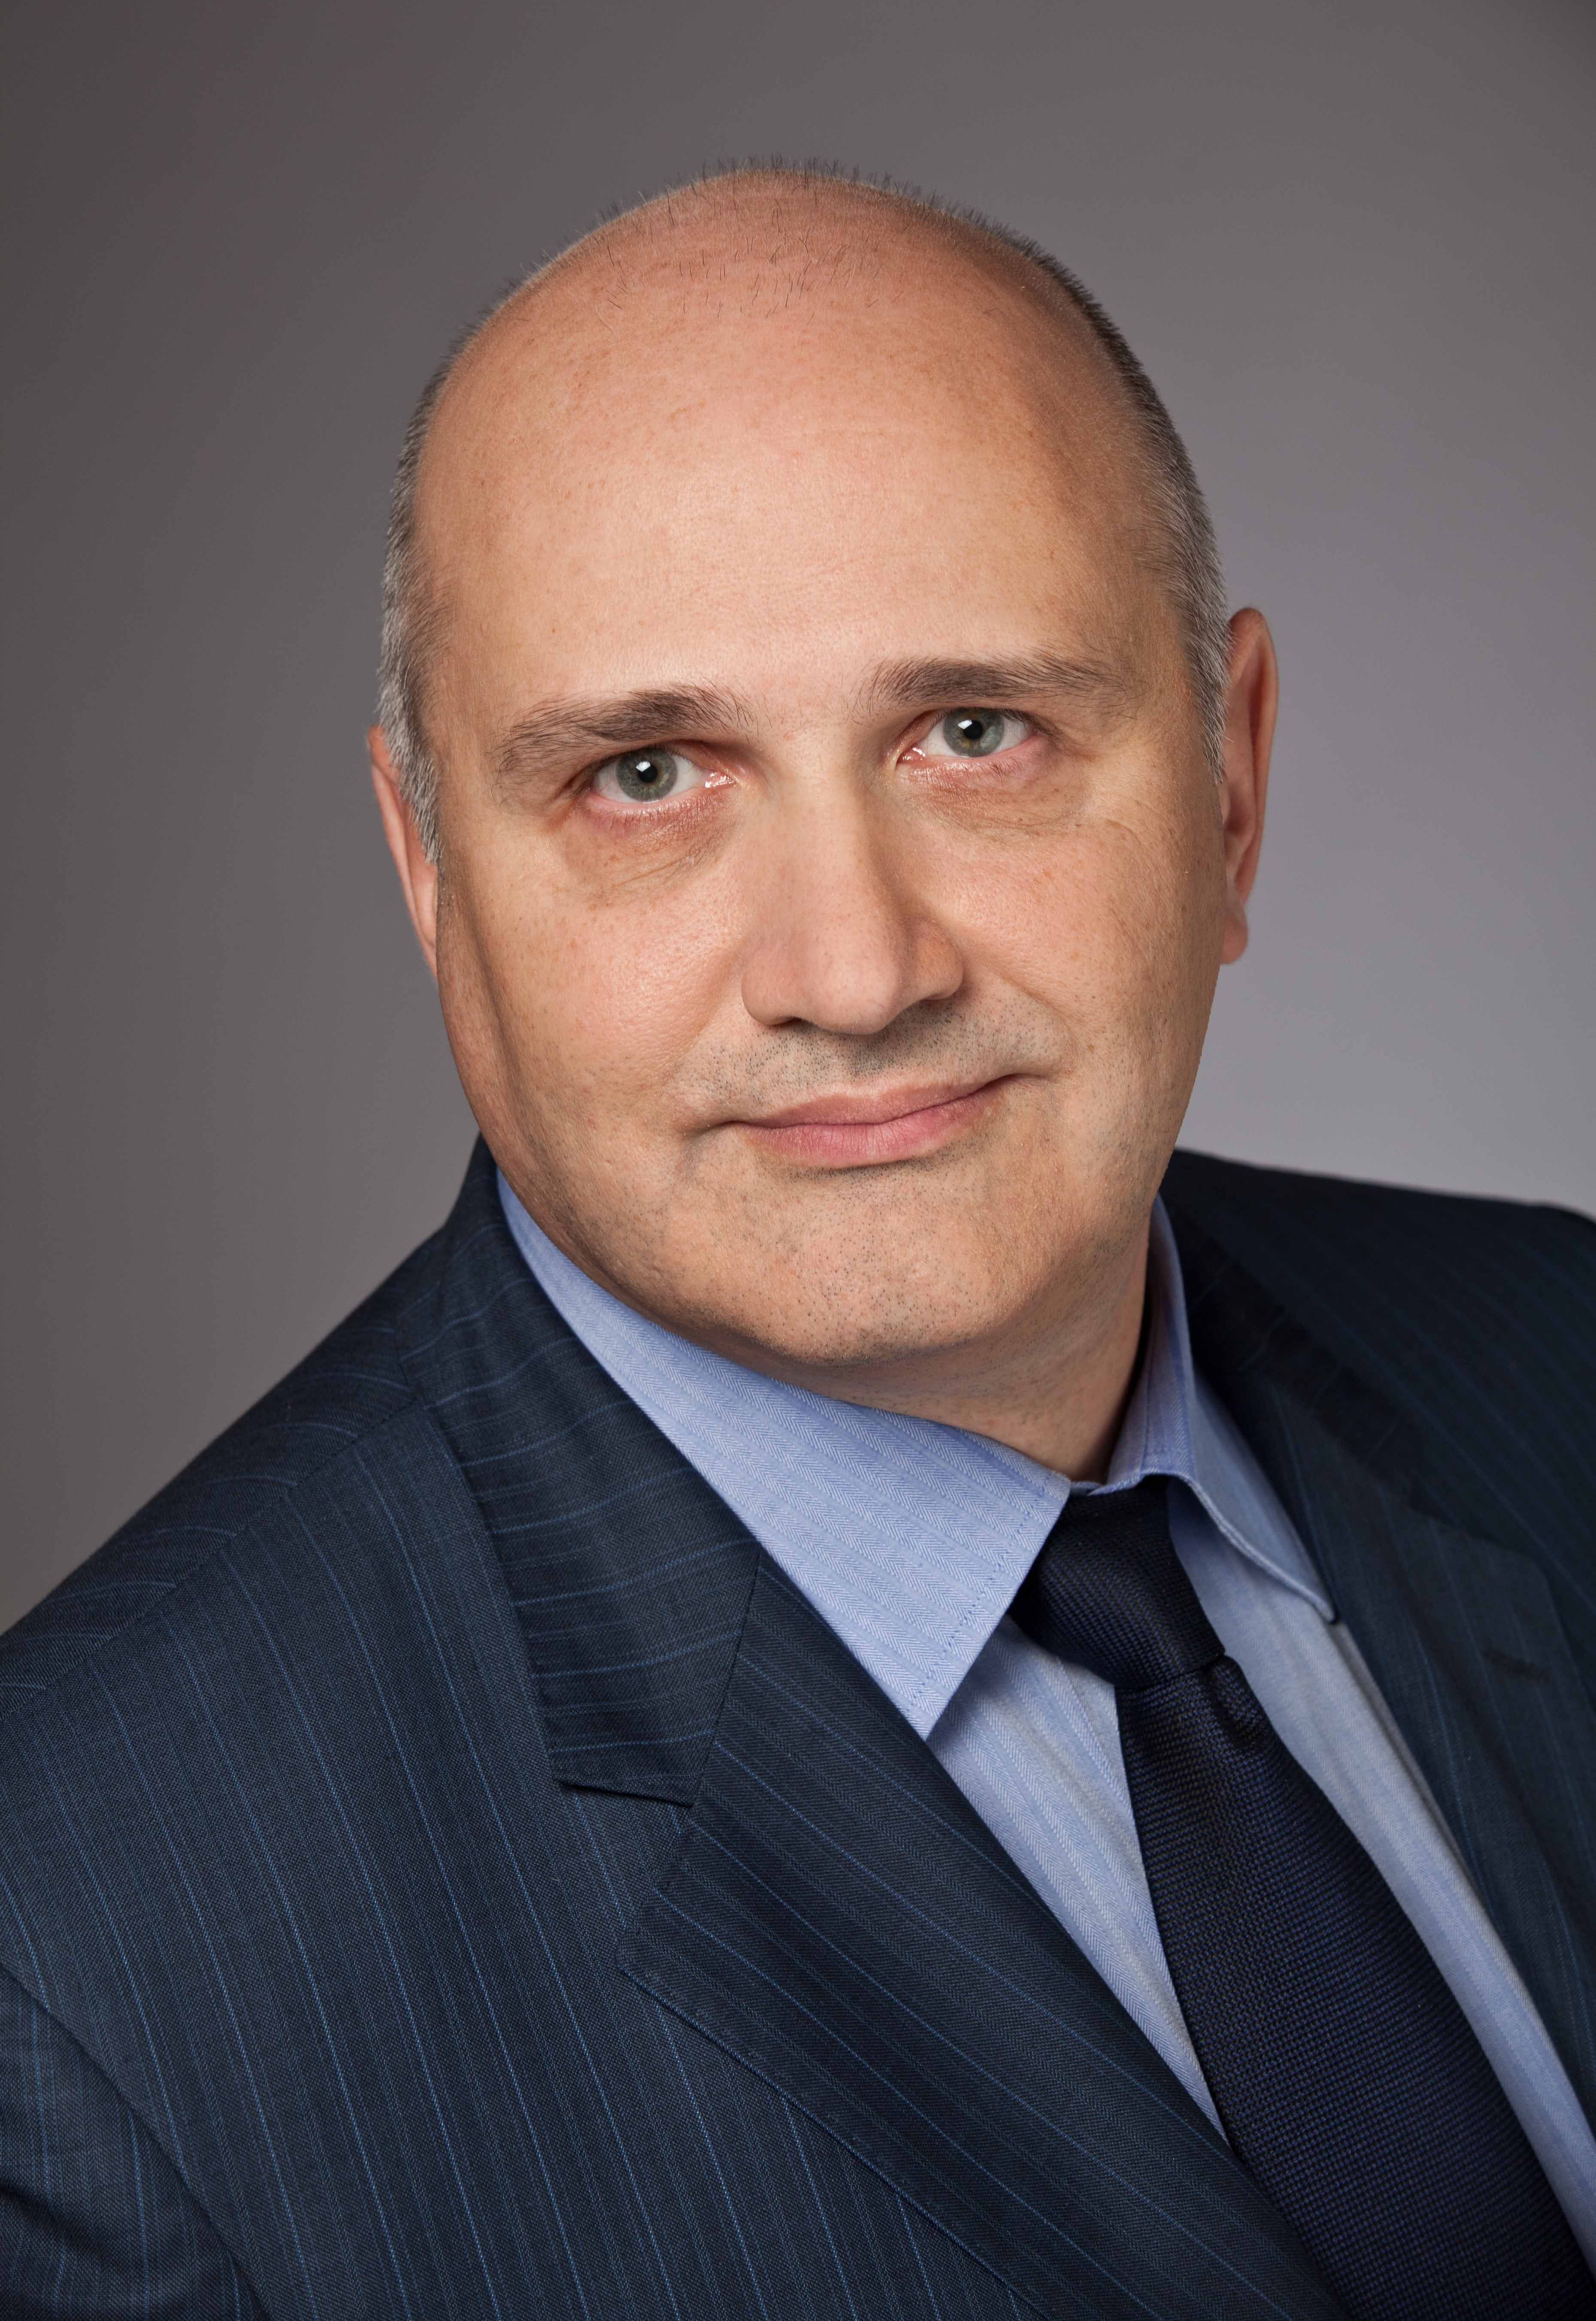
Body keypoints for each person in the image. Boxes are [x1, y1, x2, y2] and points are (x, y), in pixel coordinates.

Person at [1, 165, 1592, 2321]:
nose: (854, 972)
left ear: (1230, 787)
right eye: (648, 775)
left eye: (976, 734)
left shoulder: (1558, 1351)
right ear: (428, 873)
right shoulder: (77, 1954)